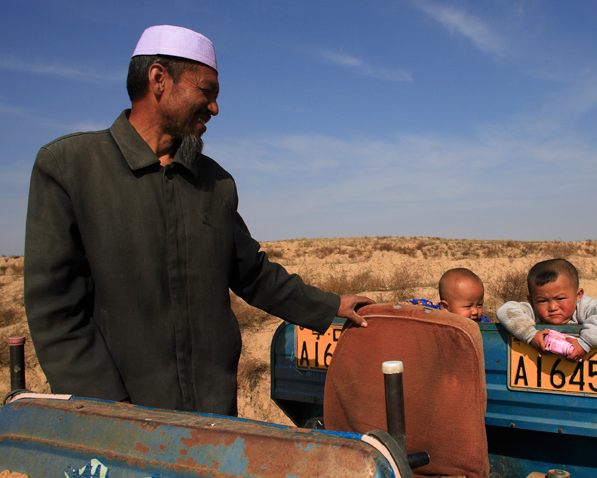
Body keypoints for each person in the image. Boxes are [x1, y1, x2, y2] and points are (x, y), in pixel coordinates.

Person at [23, 25, 372, 416]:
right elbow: (57, 312)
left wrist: (330, 305)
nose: (215, 108)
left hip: (212, 417)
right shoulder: (70, 166)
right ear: (158, 79)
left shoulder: (215, 182)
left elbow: (252, 274)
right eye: (207, 92)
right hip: (117, 421)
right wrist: (107, 409)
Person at [496, 259, 597, 360]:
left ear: (578, 295)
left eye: (560, 298)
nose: (552, 307)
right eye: (542, 301)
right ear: (531, 300)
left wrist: (585, 343)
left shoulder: (584, 307)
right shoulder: (533, 311)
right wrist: (530, 335)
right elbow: (505, 310)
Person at [408, 268, 489, 323]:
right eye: (468, 306)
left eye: (479, 305)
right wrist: (407, 307)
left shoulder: (480, 322)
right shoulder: (433, 311)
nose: (475, 311)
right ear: (446, 307)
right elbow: (414, 305)